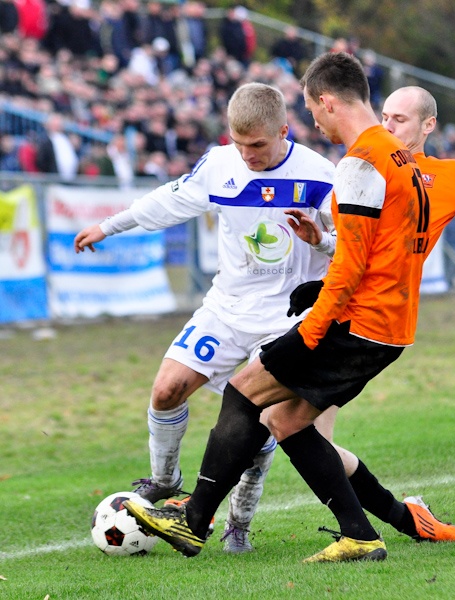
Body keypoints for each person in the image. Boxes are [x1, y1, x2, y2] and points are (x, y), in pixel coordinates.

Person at [122, 51, 436, 563]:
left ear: (327, 103)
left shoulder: (359, 162)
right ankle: (367, 531)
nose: (313, 121)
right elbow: (383, 247)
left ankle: (195, 519)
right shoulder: (395, 158)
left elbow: (359, 261)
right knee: (286, 421)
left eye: (313, 110)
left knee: (247, 393)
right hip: (384, 323)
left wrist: (313, 324)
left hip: (358, 322)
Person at [74, 82, 338, 551]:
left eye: (257, 145)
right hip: (226, 306)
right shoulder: (220, 165)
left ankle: (239, 525)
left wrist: (320, 241)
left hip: (286, 318)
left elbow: (356, 248)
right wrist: (109, 226)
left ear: (283, 130)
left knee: (257, 425)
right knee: (165, 389)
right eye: (238, 144)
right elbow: (167, 201)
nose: (247, 155)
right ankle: (164, 480)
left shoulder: (321, 177)